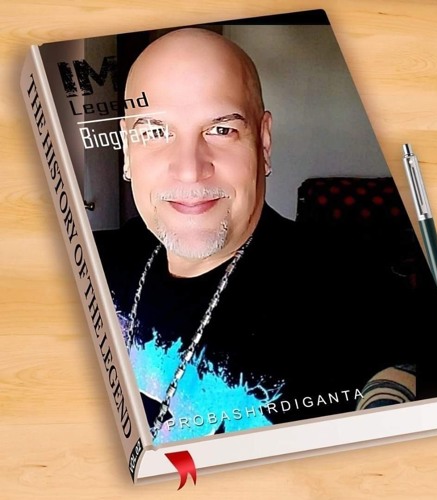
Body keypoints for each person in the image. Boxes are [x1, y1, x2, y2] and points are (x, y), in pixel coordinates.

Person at [95, 28, 418, 445]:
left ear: (263, 143)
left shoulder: (353, 292)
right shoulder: (88, 260)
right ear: (126, 148)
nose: (190, 169)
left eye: (221, 130)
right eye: (155, 131)